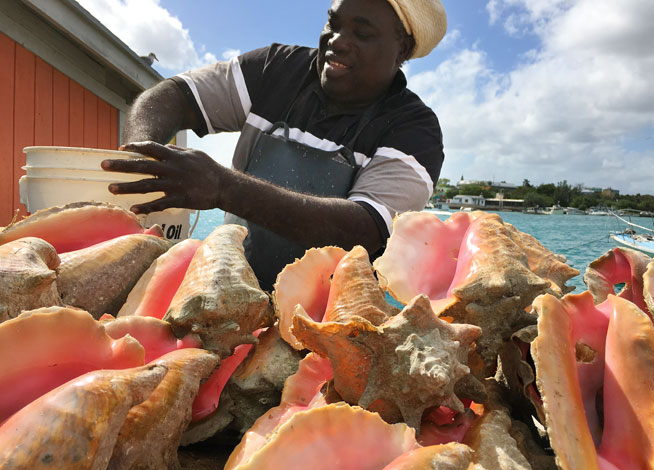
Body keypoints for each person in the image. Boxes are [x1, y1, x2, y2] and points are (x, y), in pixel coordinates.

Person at [102, 0, 447, 291]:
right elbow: (173, 96)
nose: (337, 41)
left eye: (363, 33)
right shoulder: (276, 69)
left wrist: (224, 187)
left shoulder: (415, 132)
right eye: (333, 23)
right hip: (225, 288)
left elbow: (362, 229)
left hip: (328, 325)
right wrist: (143, 157)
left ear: (402, 48)